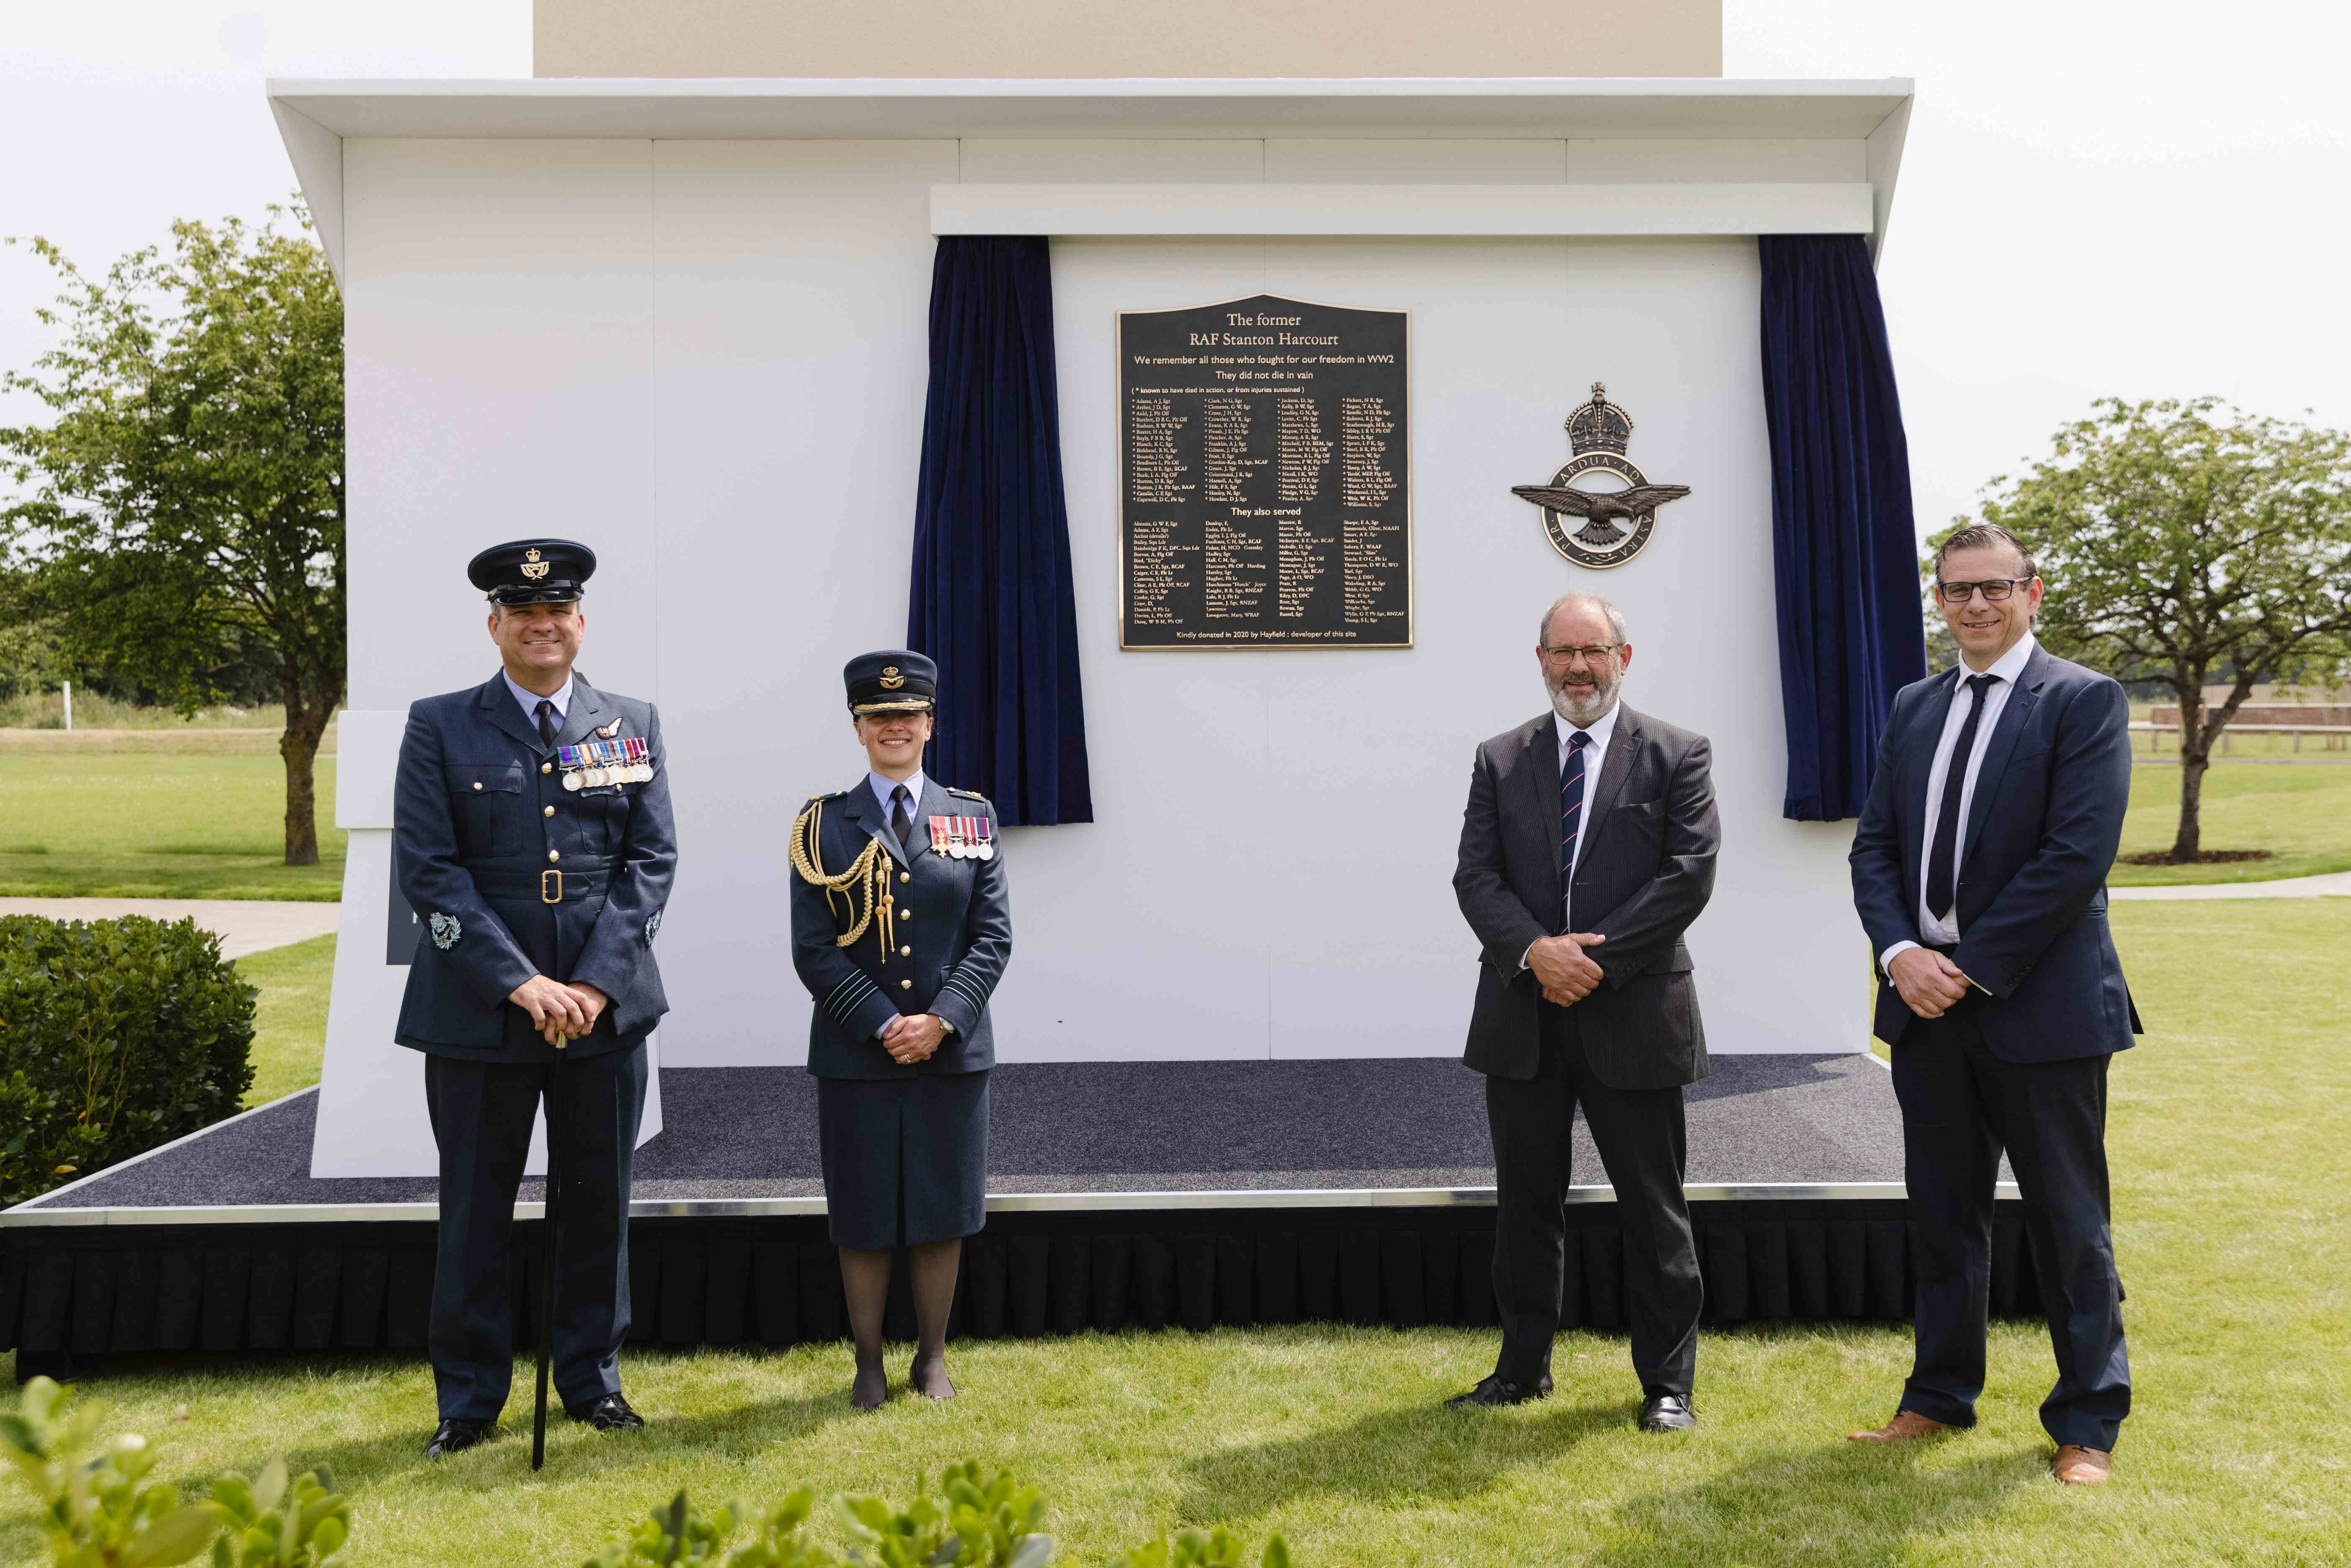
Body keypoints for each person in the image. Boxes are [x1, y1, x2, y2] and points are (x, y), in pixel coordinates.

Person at [1846, 522, 2138, 1486]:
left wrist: (1963, 966)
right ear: (1939, 600)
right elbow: (1876, 846)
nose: (1975, 604)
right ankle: (1937, 1396)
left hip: (2038, 1008)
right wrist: (1899, 954)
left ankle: (2087, 1422)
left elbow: (2075, 858)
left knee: (2067, 1223)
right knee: (1943, 1215)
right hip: (1924, 1009)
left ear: (2033, 592)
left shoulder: (2083, 701)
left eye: (1995, 587)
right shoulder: (1915, 705)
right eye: (1957, 590)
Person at [391, 538, 676, 1458]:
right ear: (496, 626)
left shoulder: (631, 722)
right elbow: (431, 873)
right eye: (523, 614)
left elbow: (650, 863)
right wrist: (521, 982)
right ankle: (469, 1400)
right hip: (483, 1014)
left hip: (602, 1012)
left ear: (580, 623)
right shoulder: (440, 725)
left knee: (598, 1201)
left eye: (558, 613)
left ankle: (594, 1381)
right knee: (475, 1208)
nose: (542, 626)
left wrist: (591, 982)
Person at [1448, 591, 1718, 1432]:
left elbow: (1688, 874)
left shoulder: (1678, 753)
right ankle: (1522, 1369)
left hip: (1635, 1014)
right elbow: (1477, 878)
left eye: (1593, 651)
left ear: (1623, 658)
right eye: (1562, 651)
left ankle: (1667, 1385)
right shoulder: (1500, 758)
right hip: (1523, 1018)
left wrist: (1590, 962)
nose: (1578, 666)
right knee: (1526, 1207)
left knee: (1653, 1207)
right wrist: (1538, 954)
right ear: (1540, 660)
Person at [789, 650, 1011, 1411]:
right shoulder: (822, 825)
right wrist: (886, 1024)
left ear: (930, 724)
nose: (895, 727)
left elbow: (993, 937)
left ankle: (934, 1358)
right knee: (863, 1209)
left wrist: (941, 1020)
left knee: (942, 1205)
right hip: (859, 1053)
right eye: (879, 717)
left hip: (950, 1055)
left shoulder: (971, 816)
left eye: (908, 715)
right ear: (858, 728)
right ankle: (869, 1363)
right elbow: (813, 947)